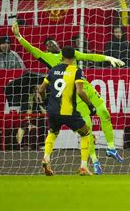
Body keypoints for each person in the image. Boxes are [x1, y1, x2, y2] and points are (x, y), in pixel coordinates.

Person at [12, 23, 125, 172]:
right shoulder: (49, 59)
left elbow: (89, 56)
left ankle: (111, 147)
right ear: (47, 49)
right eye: (48, 44)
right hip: (76, 95)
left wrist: (107, 57)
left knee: (104, 113)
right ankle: (94, 161)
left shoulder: (70, 53)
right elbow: (32, 50)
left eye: (53, 42)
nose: (52, 44)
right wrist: (19, 37)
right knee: (87, 129)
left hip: (87, 88)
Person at [37, 46, 98, 176]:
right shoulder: (76, 71)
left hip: (53, 110)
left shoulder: (53, 70)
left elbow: (41, 89)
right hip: (69, 111)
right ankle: (83, 167)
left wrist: (45, 101)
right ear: (74, 57)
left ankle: (46, 157)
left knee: (52, 132)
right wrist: (90, 106)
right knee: (86, 133)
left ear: (61, 57)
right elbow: (80, 91)